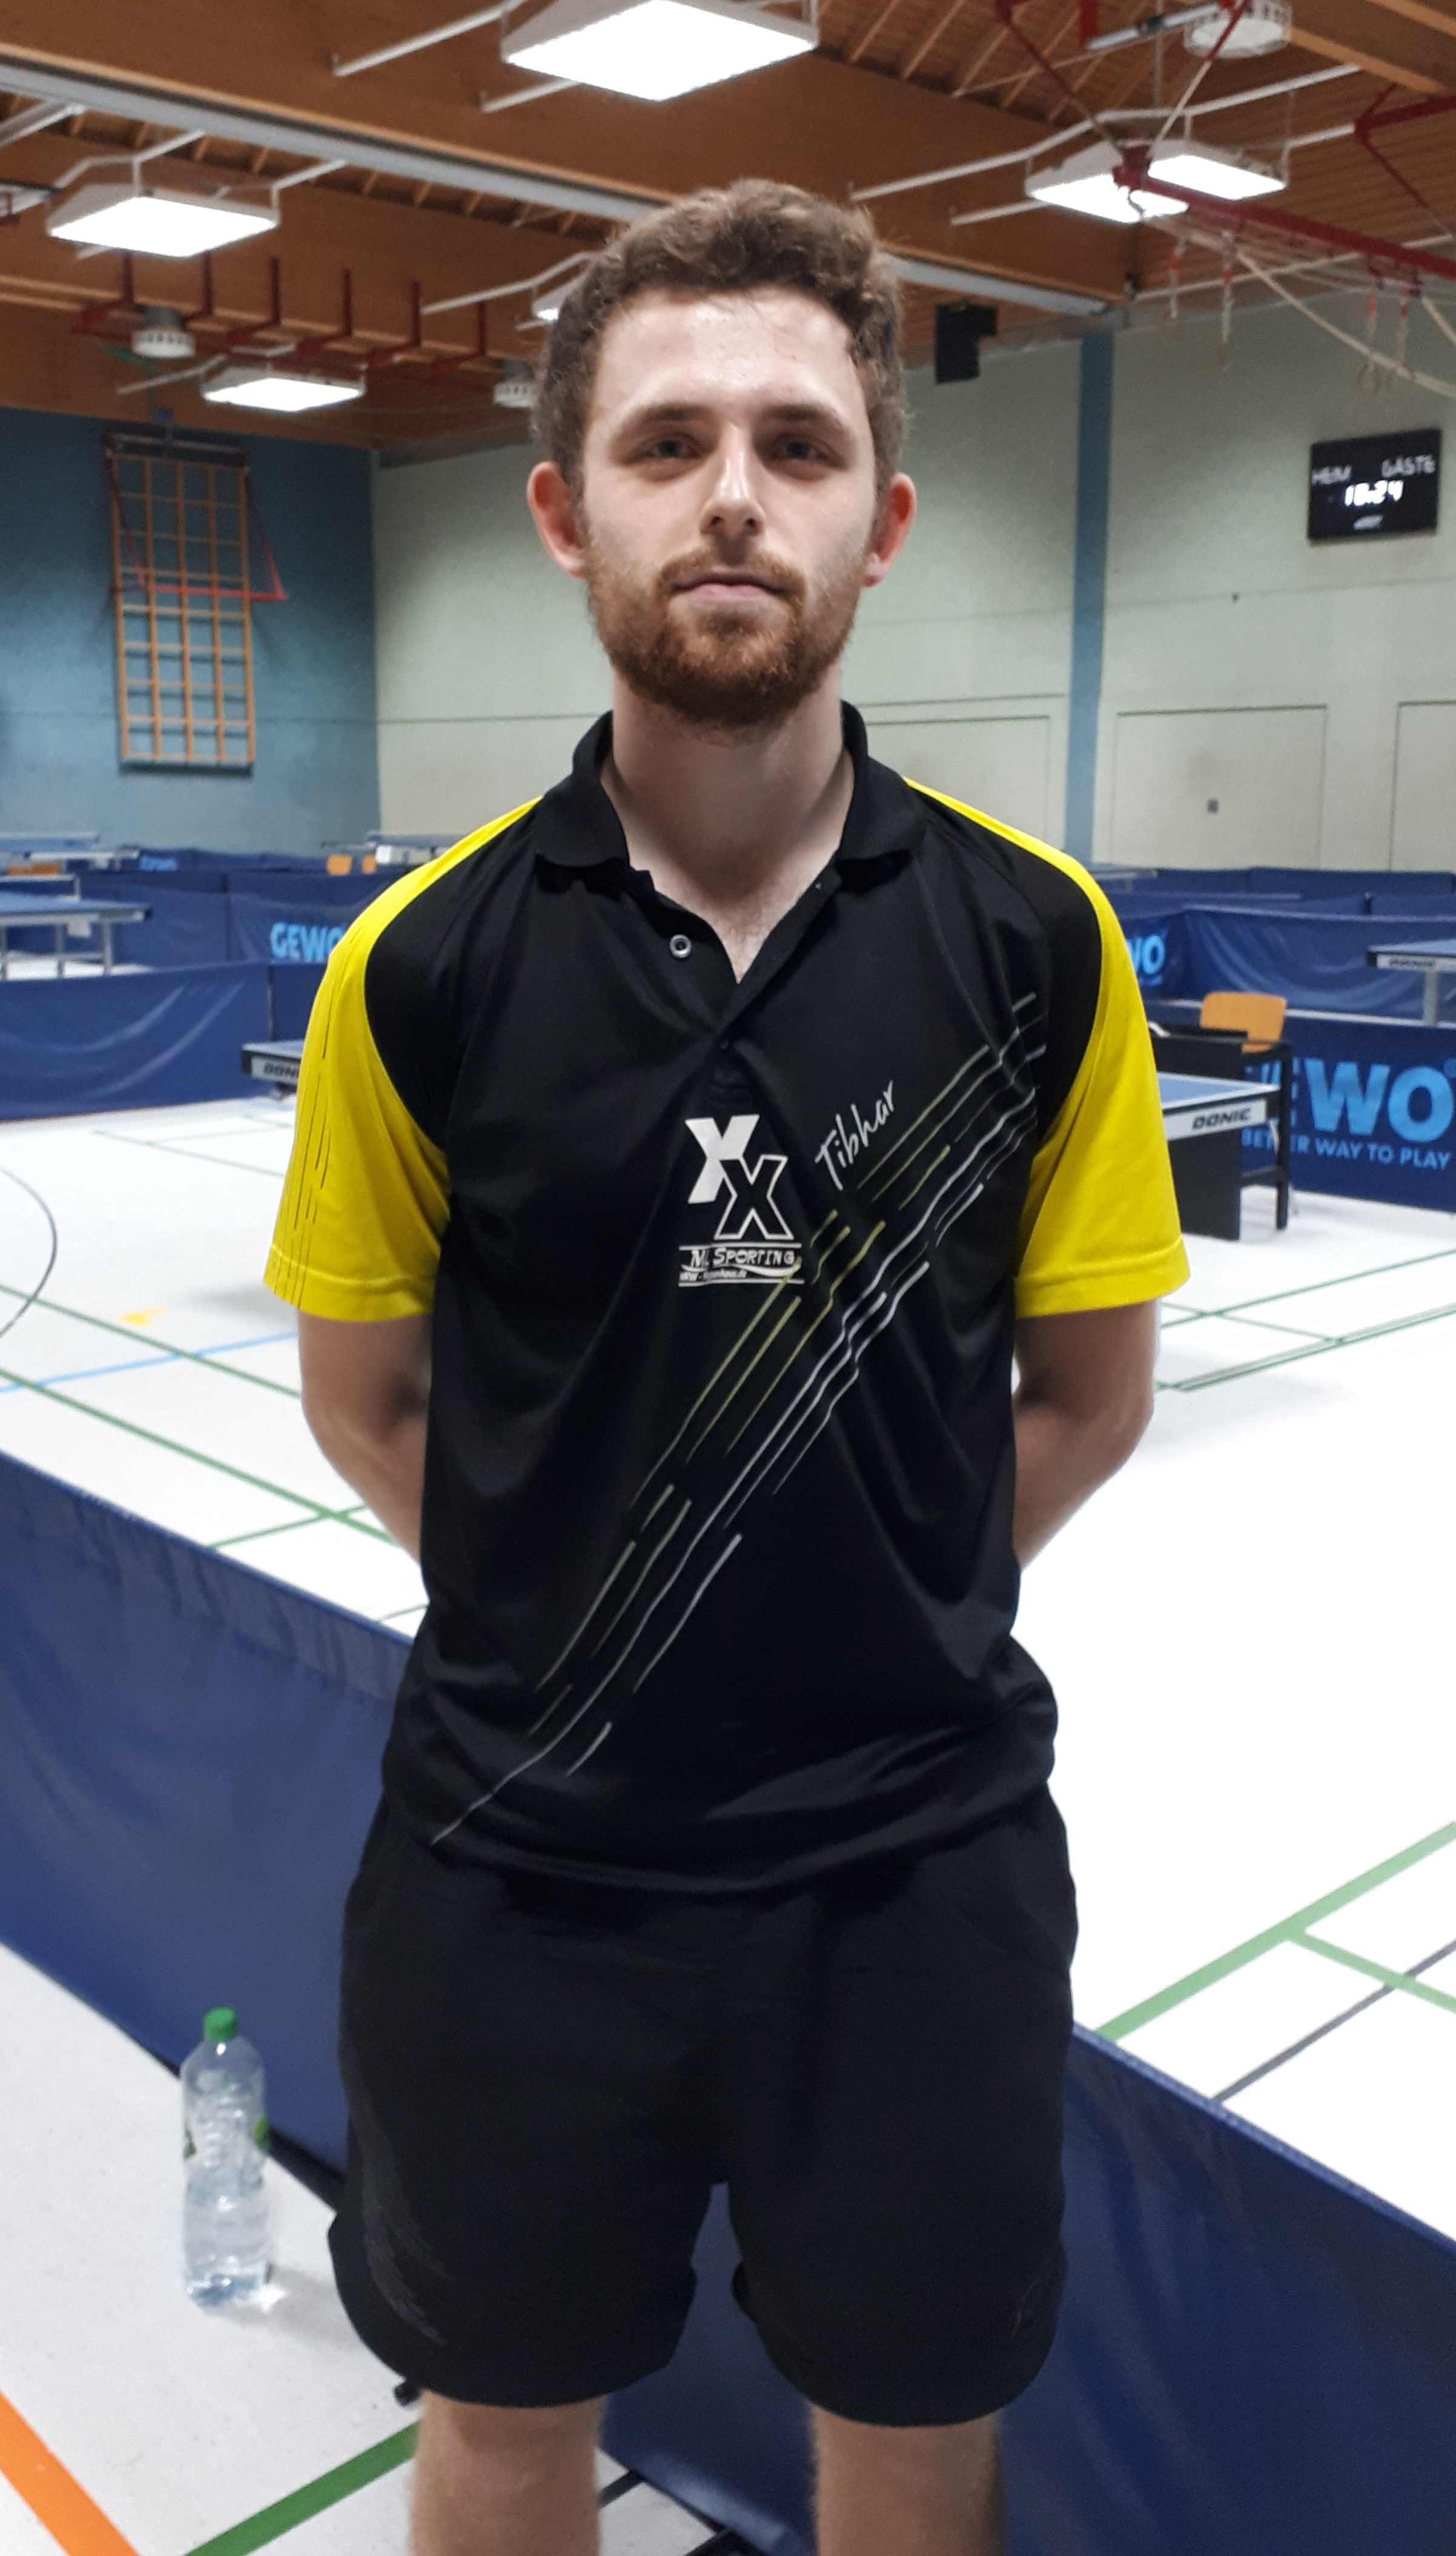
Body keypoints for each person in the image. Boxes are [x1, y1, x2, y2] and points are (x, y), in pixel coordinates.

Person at [267, 179, 1188, 2556]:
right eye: (667, 444)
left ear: (884, 518)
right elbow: (365, 1399)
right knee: (500, 2422)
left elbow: (1089, 1393)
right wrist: (580, 1607)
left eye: (795, 443)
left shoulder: (1036, 942)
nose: (733, 498)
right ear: (564, 510)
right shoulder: (419, 966)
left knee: (910, 2432)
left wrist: (864, 1595)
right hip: (513, 1863)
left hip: (912, 1871)